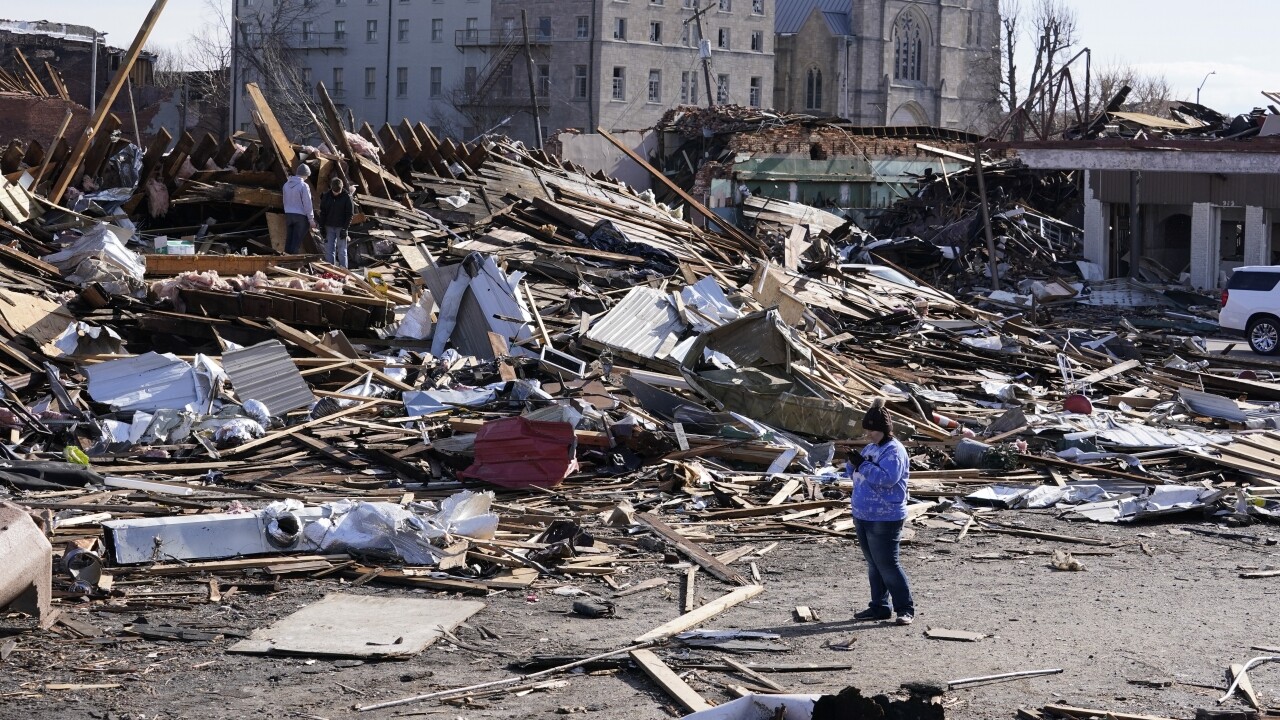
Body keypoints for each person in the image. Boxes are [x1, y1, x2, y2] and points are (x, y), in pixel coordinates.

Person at [845, 398, 915, 625]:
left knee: (888, 563)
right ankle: (879, 607)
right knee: (874, 564)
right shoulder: (871, 448)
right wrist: (853, 461)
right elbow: (854, 472)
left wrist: (862, 465)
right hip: (864, 514)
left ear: (883, 430)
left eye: (872, 431)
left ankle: (905, 608)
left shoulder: (894, 451)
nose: (868, 435)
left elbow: (888, 479)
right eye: (867, 431)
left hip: (885, 516)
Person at [318, 176, 354, 268]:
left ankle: (343, 270)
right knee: (329, 250)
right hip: (328, 227)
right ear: (331, 188)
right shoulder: (326, 197)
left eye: (338, 192)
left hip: (341, 227)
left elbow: (349, 214)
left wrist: (345, 228)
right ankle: (330, 270)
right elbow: (323, 213)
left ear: (341, 188)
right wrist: (321, 227)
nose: (336, 193)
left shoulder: (347, 198)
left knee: (342, 251)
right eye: (335, 192)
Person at [282, 165, 315, 254]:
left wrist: (287, 211)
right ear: (306, 175)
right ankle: (293, 263)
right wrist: (311, 219)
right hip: (301, 217)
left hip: (289, 214)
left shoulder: (286, 185)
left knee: (289, 240)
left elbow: (284, 201)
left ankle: (285, 260)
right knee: (296, 242)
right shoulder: (304, 186)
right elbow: (307, 203)